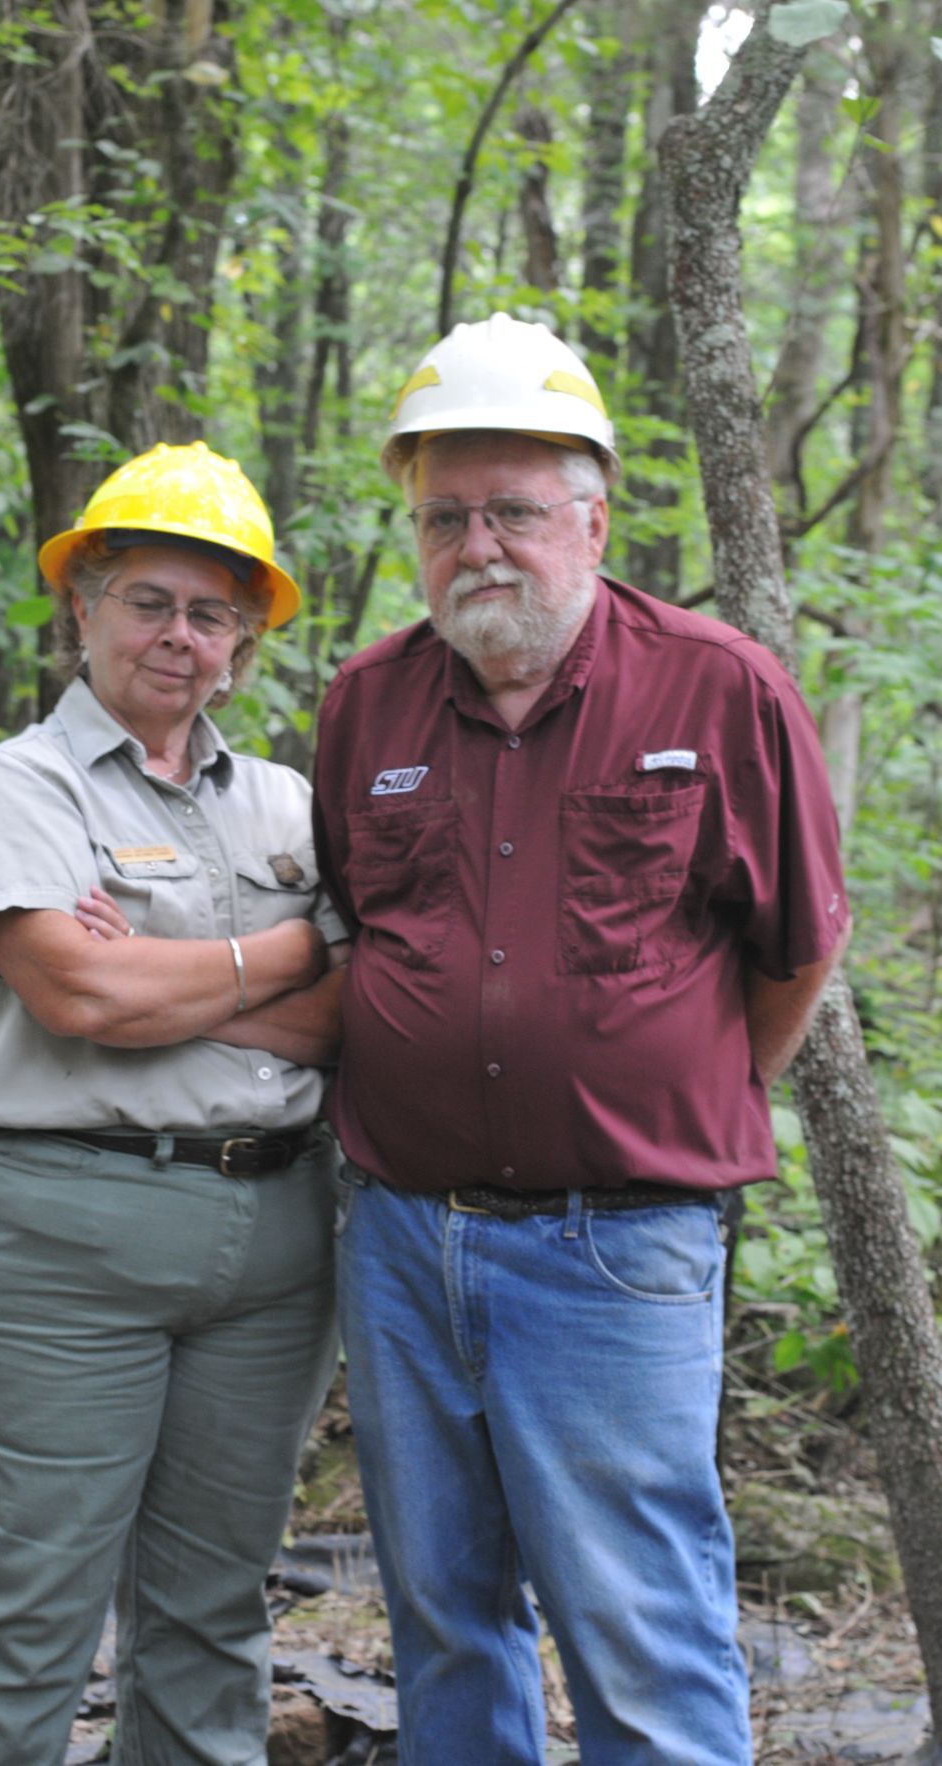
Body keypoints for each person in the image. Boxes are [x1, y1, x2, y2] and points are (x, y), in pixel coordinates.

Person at [311, 313, 851, 1766]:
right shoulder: (366, 702)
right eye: (443, 515)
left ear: (592, 518)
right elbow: (361, 932)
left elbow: (794, 945)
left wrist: (657, 1098)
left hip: (616, 1248)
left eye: (514, 510)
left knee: (639, 1627)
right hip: (404, 1243)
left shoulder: (715, 686)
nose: (476, 544)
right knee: (441, 1615)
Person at [0, 439, 349, 1766]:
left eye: (213, 612)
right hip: (55, 1247)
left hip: (270, 1244)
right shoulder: (23, 785)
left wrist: (154, 975)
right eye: (150, 599)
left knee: (212, 1614)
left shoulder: (288, 801)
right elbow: (76, 1000)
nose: (181, 635)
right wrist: (284, 954)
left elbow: (356, 1014)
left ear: (244, 640)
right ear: (83, 602)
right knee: (24, 1621)